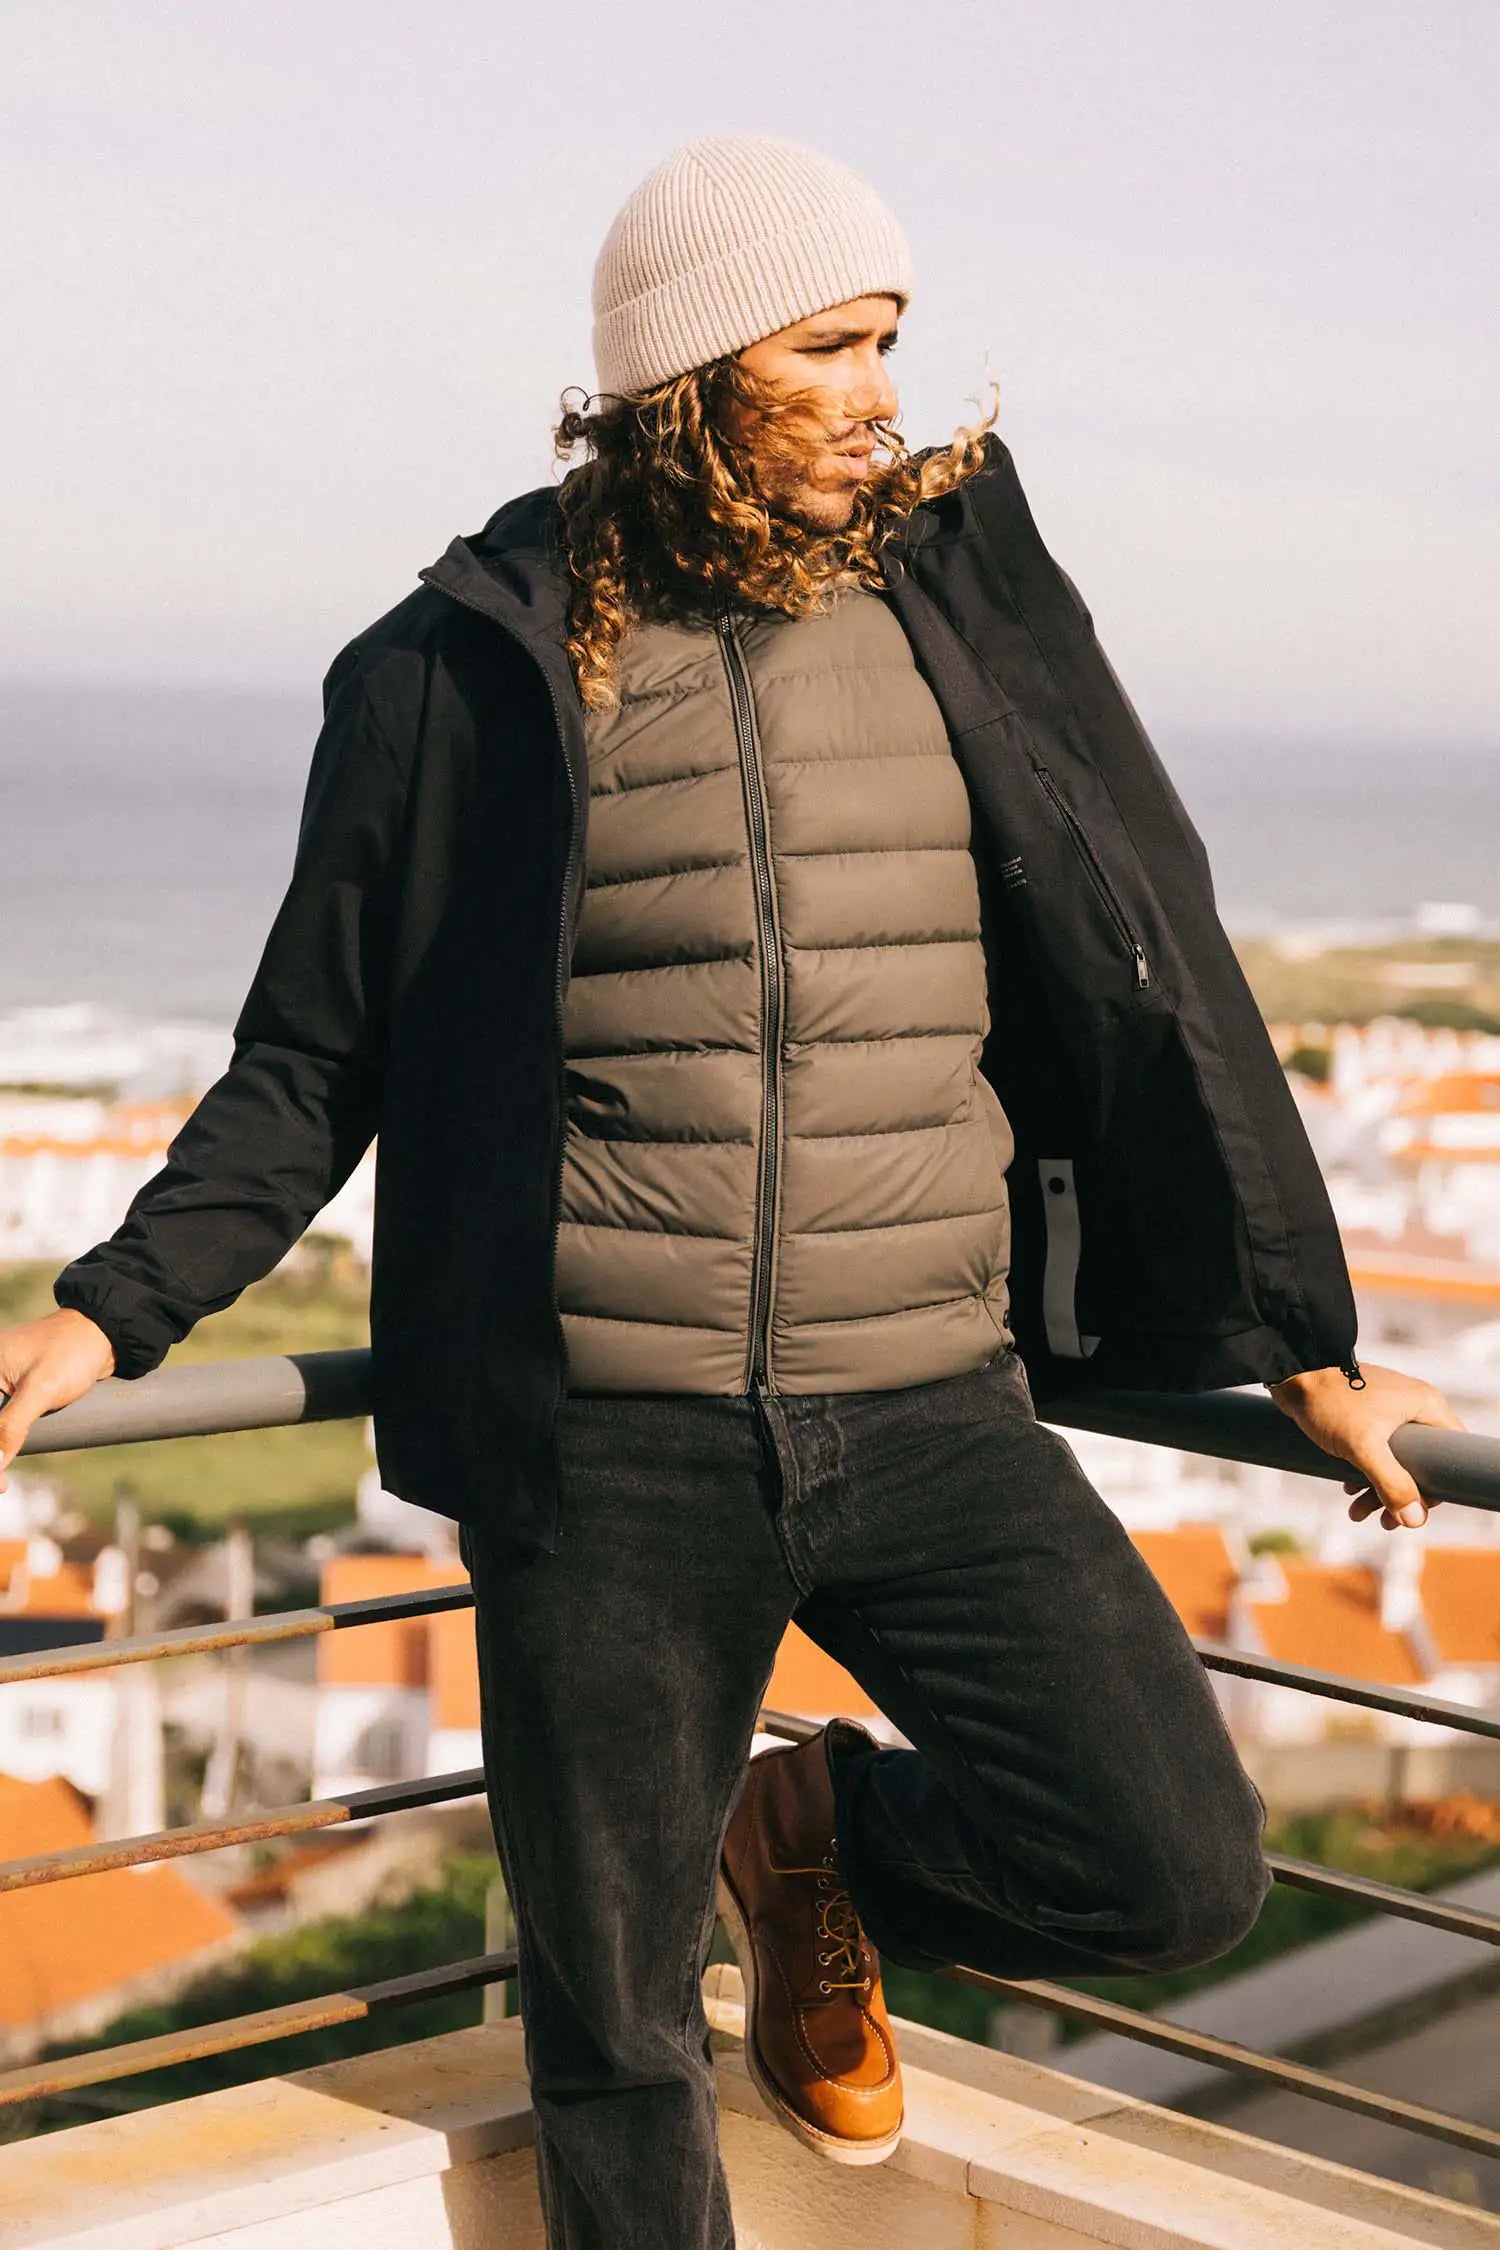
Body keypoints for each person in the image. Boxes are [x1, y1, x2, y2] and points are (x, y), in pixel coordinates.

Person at [0, 133, 1465, 2248]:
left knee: (1171, 1865)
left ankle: (820, 1835)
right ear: (689, 371)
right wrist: (115, 1305)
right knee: (610, 2038)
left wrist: (1304, 1347)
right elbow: (316, 1058)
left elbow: (1158, 974)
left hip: (932, 1405)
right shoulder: (450, 675)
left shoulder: (964, 612)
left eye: (891, 340)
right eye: (832, 344)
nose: (883, 390)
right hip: (604, 1447)